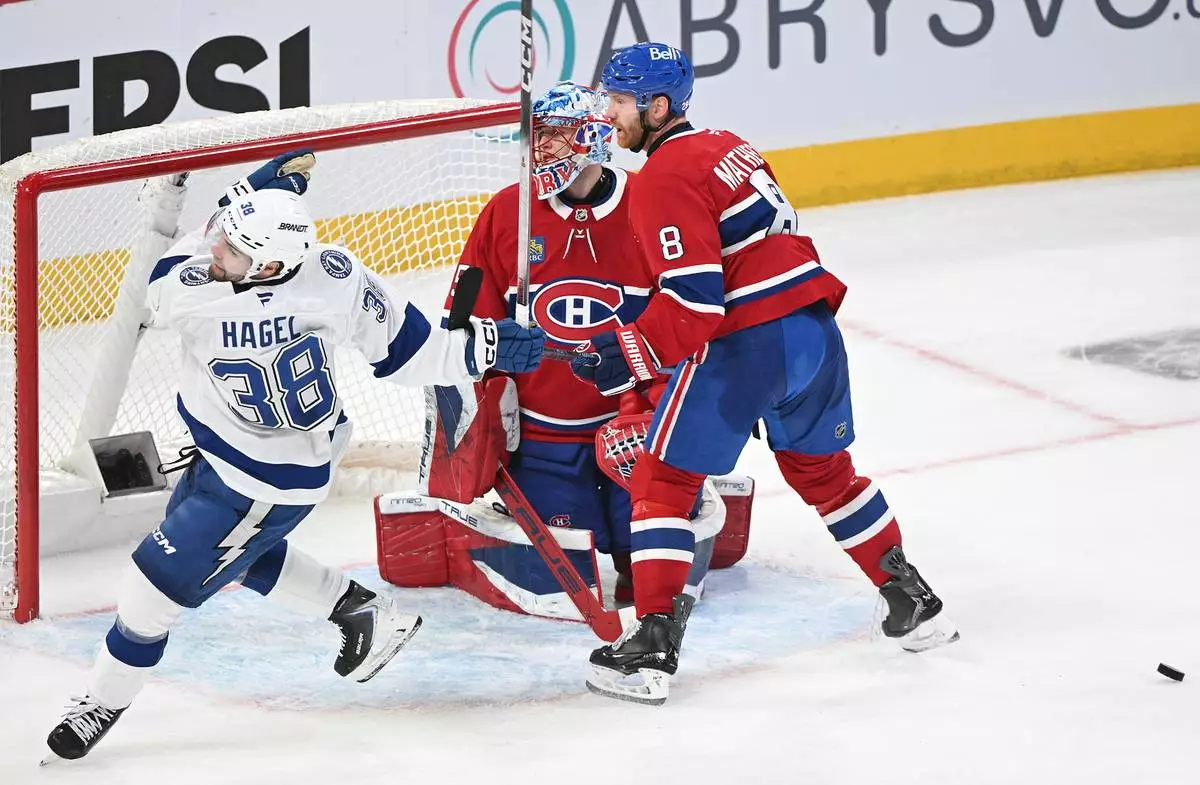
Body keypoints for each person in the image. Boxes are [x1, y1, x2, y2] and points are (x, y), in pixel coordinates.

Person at [44, 152, 545, 761]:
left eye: (232, 250)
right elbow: (413, 355)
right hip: (233, 456)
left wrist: (245, 188)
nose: (216, 252)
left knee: (152, 592)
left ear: (269, 265)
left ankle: (101, 701)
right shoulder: (336, 275)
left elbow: (163, 274)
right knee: (232, 555)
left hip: (264, 485)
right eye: (224, 240)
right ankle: (361, 612)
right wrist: (487, 347)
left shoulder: (189, 293)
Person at [571, 43, 959, 705]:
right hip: (812, 331)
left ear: (658, 107)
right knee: (824, 472)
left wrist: (628, 350)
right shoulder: (731, 146)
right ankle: (912, 600)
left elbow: (696, 303)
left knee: (664, 482)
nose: (609, 113)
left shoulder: (662, 176)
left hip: (747, 343)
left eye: (621, 100)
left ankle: (651, 648)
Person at [435, 81, 665, 606]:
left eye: (556, 134)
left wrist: (665, 398)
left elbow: (687, 311)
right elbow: (462, 320)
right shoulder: (507, 211)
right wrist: (490, 353)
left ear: (593, 137)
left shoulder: (650, 203)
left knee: (652, 574)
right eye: (536, 134)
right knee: (558, 582)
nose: (540, 147)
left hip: (637, 430)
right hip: (543, 437)